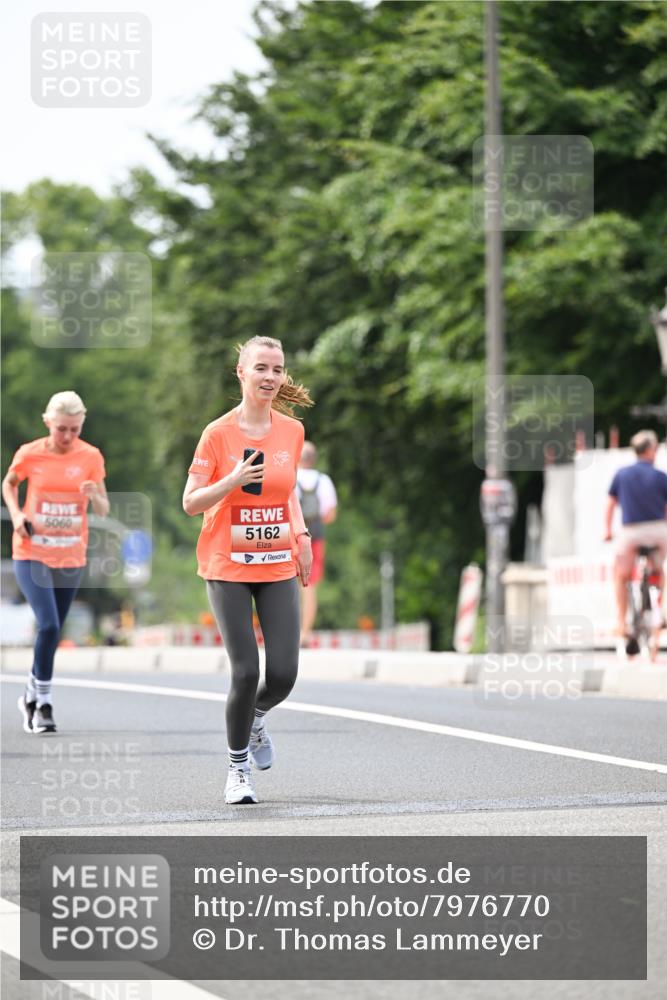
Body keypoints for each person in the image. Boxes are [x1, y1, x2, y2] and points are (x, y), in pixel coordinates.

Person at [183, 336, 313, 805]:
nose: (270, 378)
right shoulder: (217, 434)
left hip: (276, 560)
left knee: (283, 674)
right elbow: (190, 501)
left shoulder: (291, 432)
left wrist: (301, 537)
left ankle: (256, 715)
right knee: (244, 671)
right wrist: (232, 480)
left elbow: (288, 492)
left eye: (277, 370)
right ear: (241, 373)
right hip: (226, 564)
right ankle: (238, 769)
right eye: (261, 368)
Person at [2, 391, 109, 733]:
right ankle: (44, 705)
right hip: (32, 551)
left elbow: (104, 508)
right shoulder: (30, 453)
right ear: (48, 422)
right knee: (47, 625)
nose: (67, 437)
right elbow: (9, 483)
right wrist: (17, 514)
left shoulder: (91, 456)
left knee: (53, 630)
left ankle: (30, 694)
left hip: (70, 555)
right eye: (61, 428)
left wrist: (94, 496)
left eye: (74, 430)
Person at [604, 429, 667, 647]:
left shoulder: (622, 474)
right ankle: (661, 609)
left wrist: (607, 530)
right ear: (651, 450)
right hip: (658, 530)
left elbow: (611, 505)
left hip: (630, 532)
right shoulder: (661, 476)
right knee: (661, 570)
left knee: (621, 575)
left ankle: (621, 622)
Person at [296, 441, 338, 646]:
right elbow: (330, 515)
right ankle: (304, 633)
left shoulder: (290, 477)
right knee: (309, 585)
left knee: (285, 584)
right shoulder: (324, 481)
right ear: (314, 459)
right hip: (315, 537)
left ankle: (287, 631)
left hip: (291, 537)